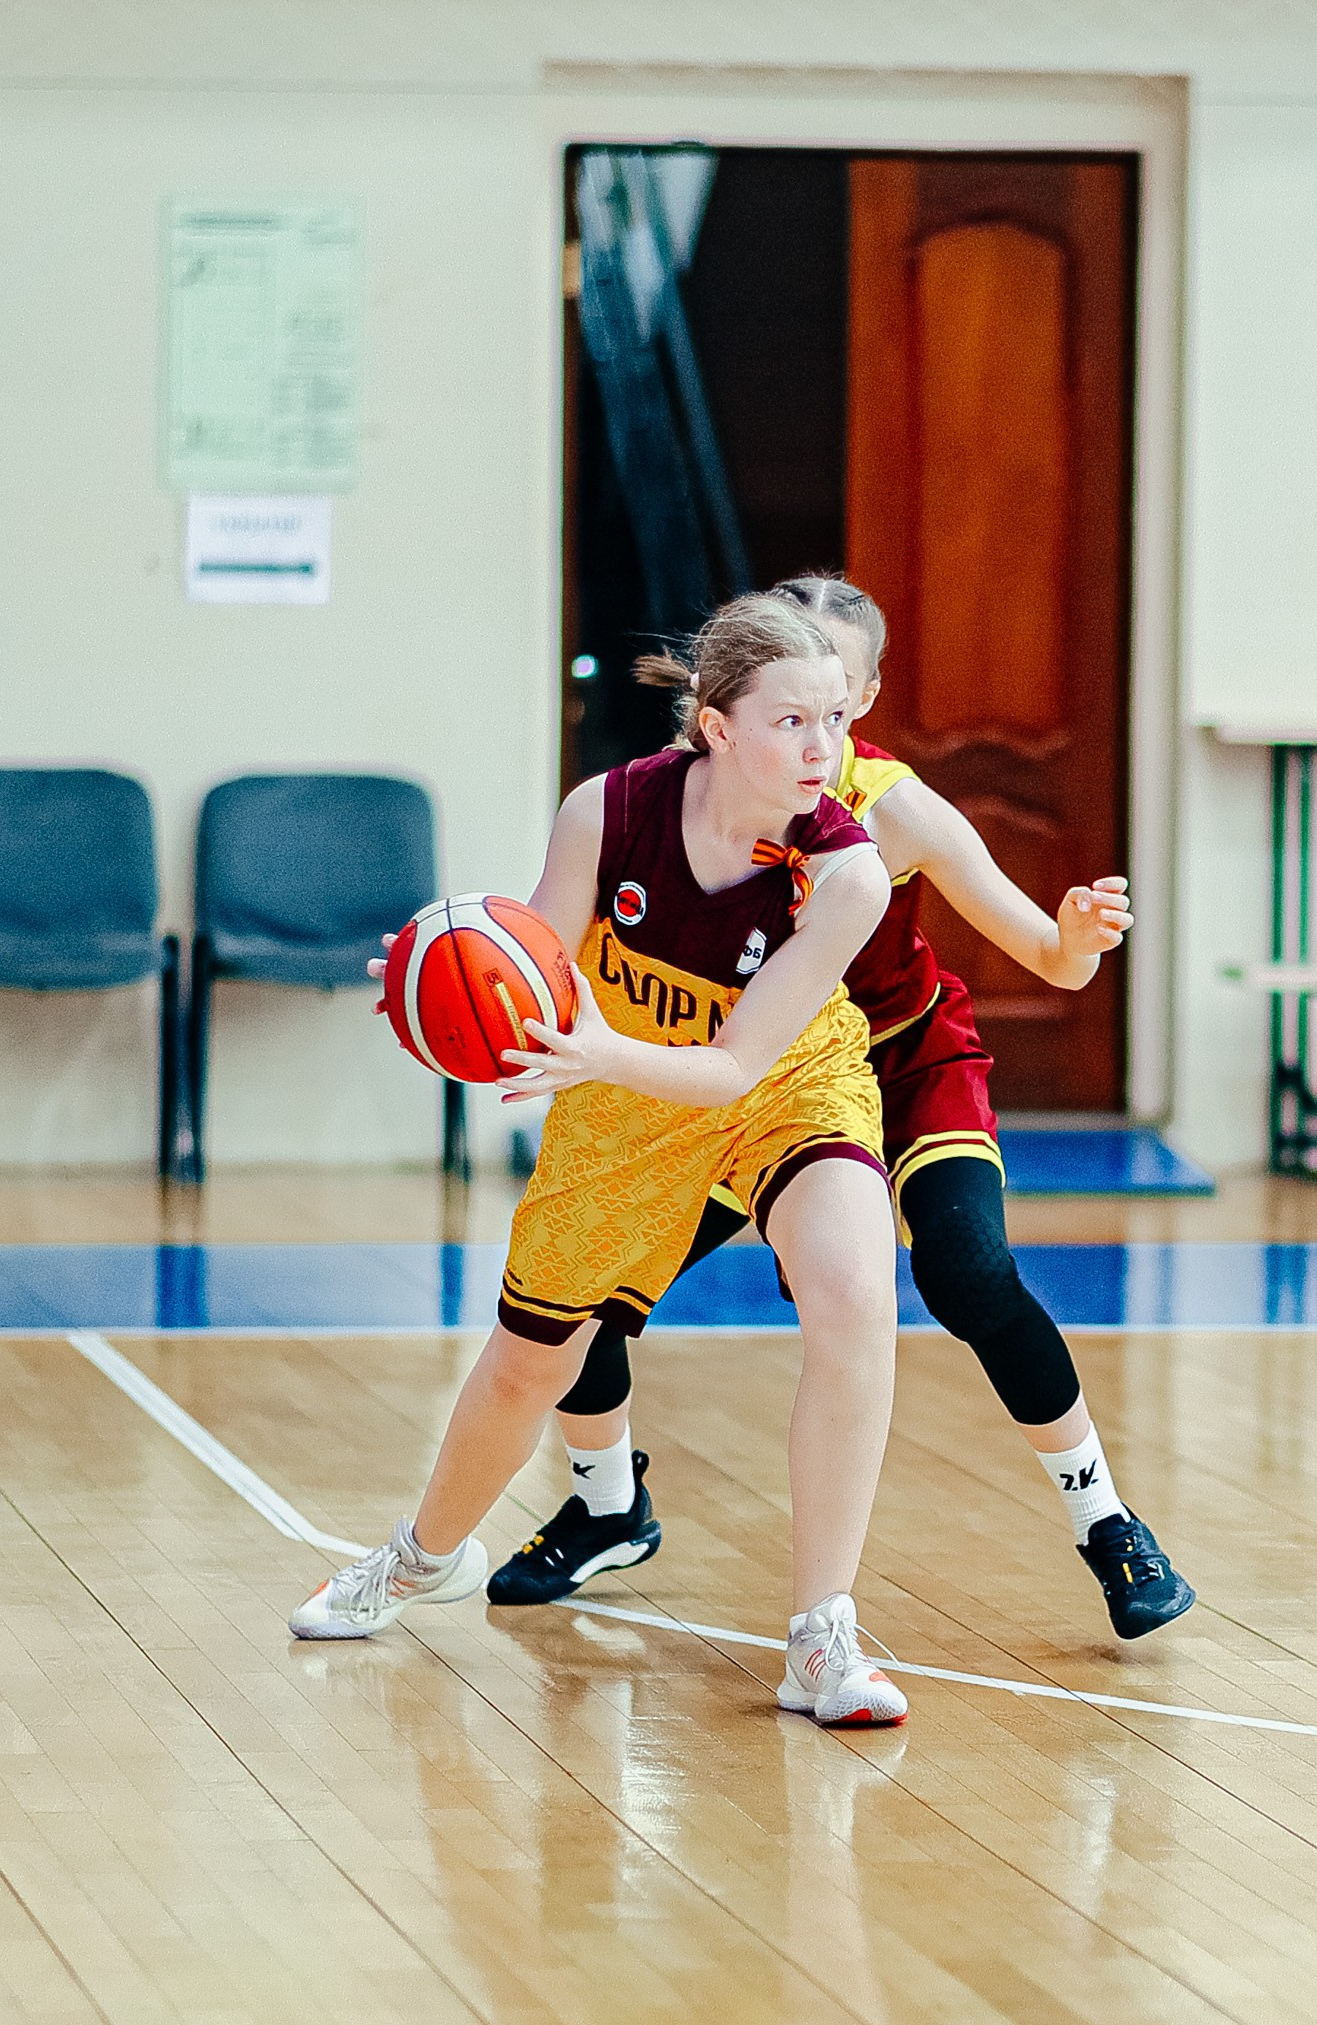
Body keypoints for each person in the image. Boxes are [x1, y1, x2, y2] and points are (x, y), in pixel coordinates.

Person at [489, 574, 1196, 1642]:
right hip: (757, 1079)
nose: (811, 714)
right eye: (787, 683)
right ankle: (604, 1504)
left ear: (859, 695)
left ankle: (1105, 1520)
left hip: (900, 1065)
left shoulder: (893, 806)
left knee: (966, 1271)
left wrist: (1081, 936)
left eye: (832, 690)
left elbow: (1049, 958)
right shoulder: (685, 798)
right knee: (592, 1290)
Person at [290, 591, 915, 1726]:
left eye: (835, 720)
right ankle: (422, 1557)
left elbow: (733, 1069)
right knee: (533, 1361)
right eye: (792, 722)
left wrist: (595, 1047)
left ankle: (823, 1635)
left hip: (784, 1081)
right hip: (621, 1091)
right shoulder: (607, 812)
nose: (824, 749)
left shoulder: (847, 875)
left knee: (855, 1295)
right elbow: (533, 964)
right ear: (716, 725)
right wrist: (448, 976)